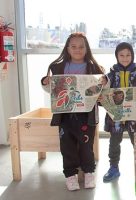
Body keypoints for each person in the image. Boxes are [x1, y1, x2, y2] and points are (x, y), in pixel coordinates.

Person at [40, 32, 105, 191]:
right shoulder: (58, 66)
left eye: (81, 46)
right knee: (67, 146)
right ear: (67, 48)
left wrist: (105, 81)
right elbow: (51, 89)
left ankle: (89, 172)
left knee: (86, 145)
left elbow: (103, 90)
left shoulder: (94, 67)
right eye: (73, 46)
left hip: (86, 115)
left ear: (86, 48)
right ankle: (70, 175)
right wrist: (45, 82)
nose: (77, 49)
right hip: (65, 115)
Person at [102, 42, 136, 182]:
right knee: (114, 142)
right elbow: (106, 85)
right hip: (116, 115)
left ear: (132, 56)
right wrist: (103, 81)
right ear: (116, 56)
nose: (125, 58)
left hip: (134, 116)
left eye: (128, 55)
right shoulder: (112, 73)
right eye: (121, 55)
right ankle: (113, 168)